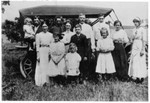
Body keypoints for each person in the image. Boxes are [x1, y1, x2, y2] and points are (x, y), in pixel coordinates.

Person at [128, 17, 147, 83]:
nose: (135, 23)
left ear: (139, 22)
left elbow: (144, 40)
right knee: (135, 61)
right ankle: (136, 76)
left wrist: (142, 49)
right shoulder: (133, 29)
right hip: (134, 45)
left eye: (137, 22)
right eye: (134, 22)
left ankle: (141, 77)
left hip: (140, 45)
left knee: (140, 61)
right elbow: (132, 38)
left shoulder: (142, 29)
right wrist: (131, 40)